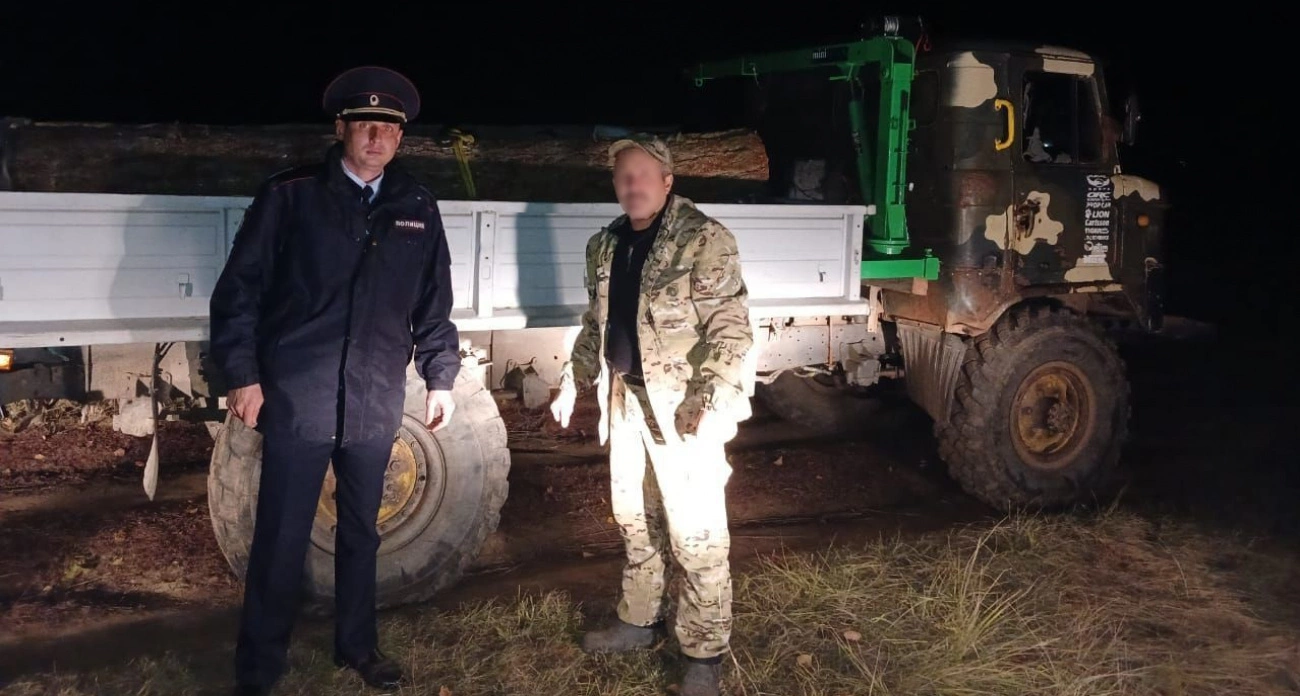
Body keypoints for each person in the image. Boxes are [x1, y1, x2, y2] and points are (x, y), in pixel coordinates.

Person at [210, 65, 461, 695]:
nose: (377, 137)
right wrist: (242, 376)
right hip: (301, 396)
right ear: (341, 129)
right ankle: (259, 667)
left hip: (375, 400)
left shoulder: (416, 205)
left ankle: (357, 647)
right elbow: (239, 292)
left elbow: (434, 302)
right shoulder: (291, 196)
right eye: (365, 125)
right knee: (281, 535)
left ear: (400, 137)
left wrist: (440, 377)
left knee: (360, 532)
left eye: (388, 128)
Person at [550, 134, 754, 696]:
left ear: (667, 181)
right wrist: (574, 377)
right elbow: (596, 323)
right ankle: (639, 621)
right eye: (623, 175)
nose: (631, 184)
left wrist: (710, 399)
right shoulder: (606, 244)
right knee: (635, 518)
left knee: (697, 534)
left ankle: (703, 654)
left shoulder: (703, 239)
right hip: (626, 401)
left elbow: (730, 328)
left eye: (642, 174)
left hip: (682, 408)